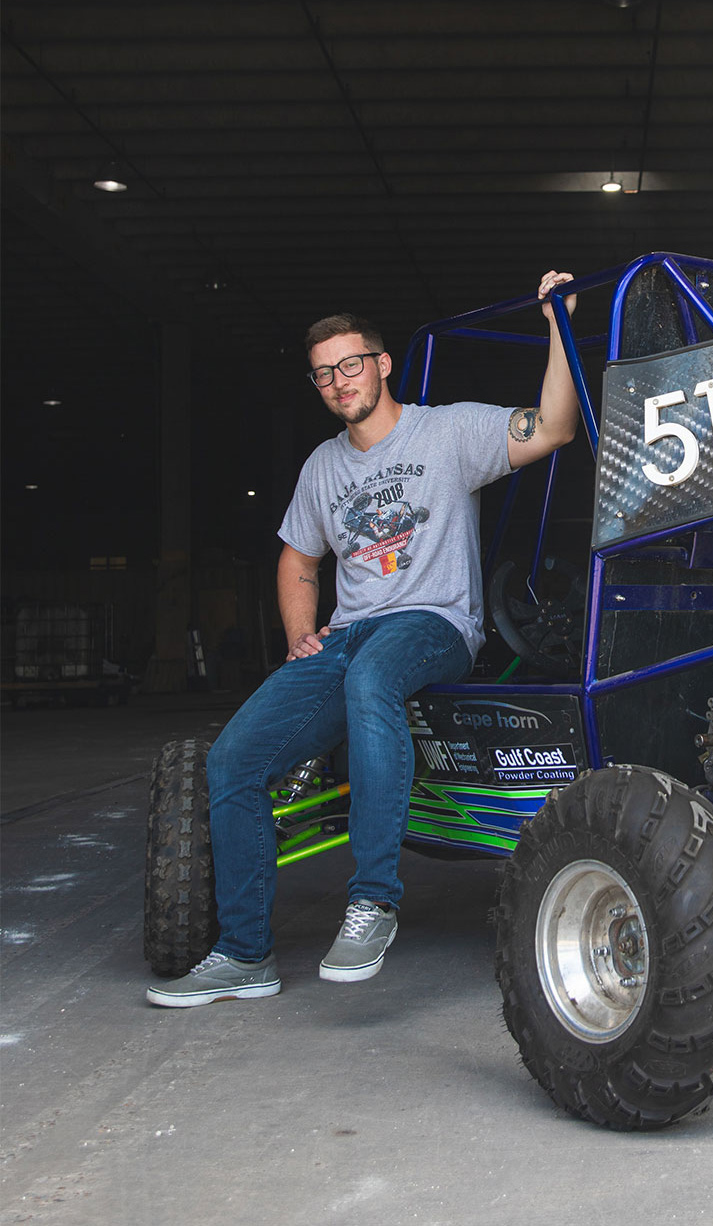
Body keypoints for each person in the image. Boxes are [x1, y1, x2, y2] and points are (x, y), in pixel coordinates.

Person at [147, 271, 579, 1007]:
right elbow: (296, 556)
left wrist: (557, 326)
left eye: (349, 364)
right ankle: (244, 952)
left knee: (370, 678)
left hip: (432, 623)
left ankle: (372, 900)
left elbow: (553, 426)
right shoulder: (323, 467)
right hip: (345, 635)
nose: (337, 381)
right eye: (322, 373)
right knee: (234, 761)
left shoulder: (445, 431)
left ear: (381, 365)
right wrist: (299, 634)